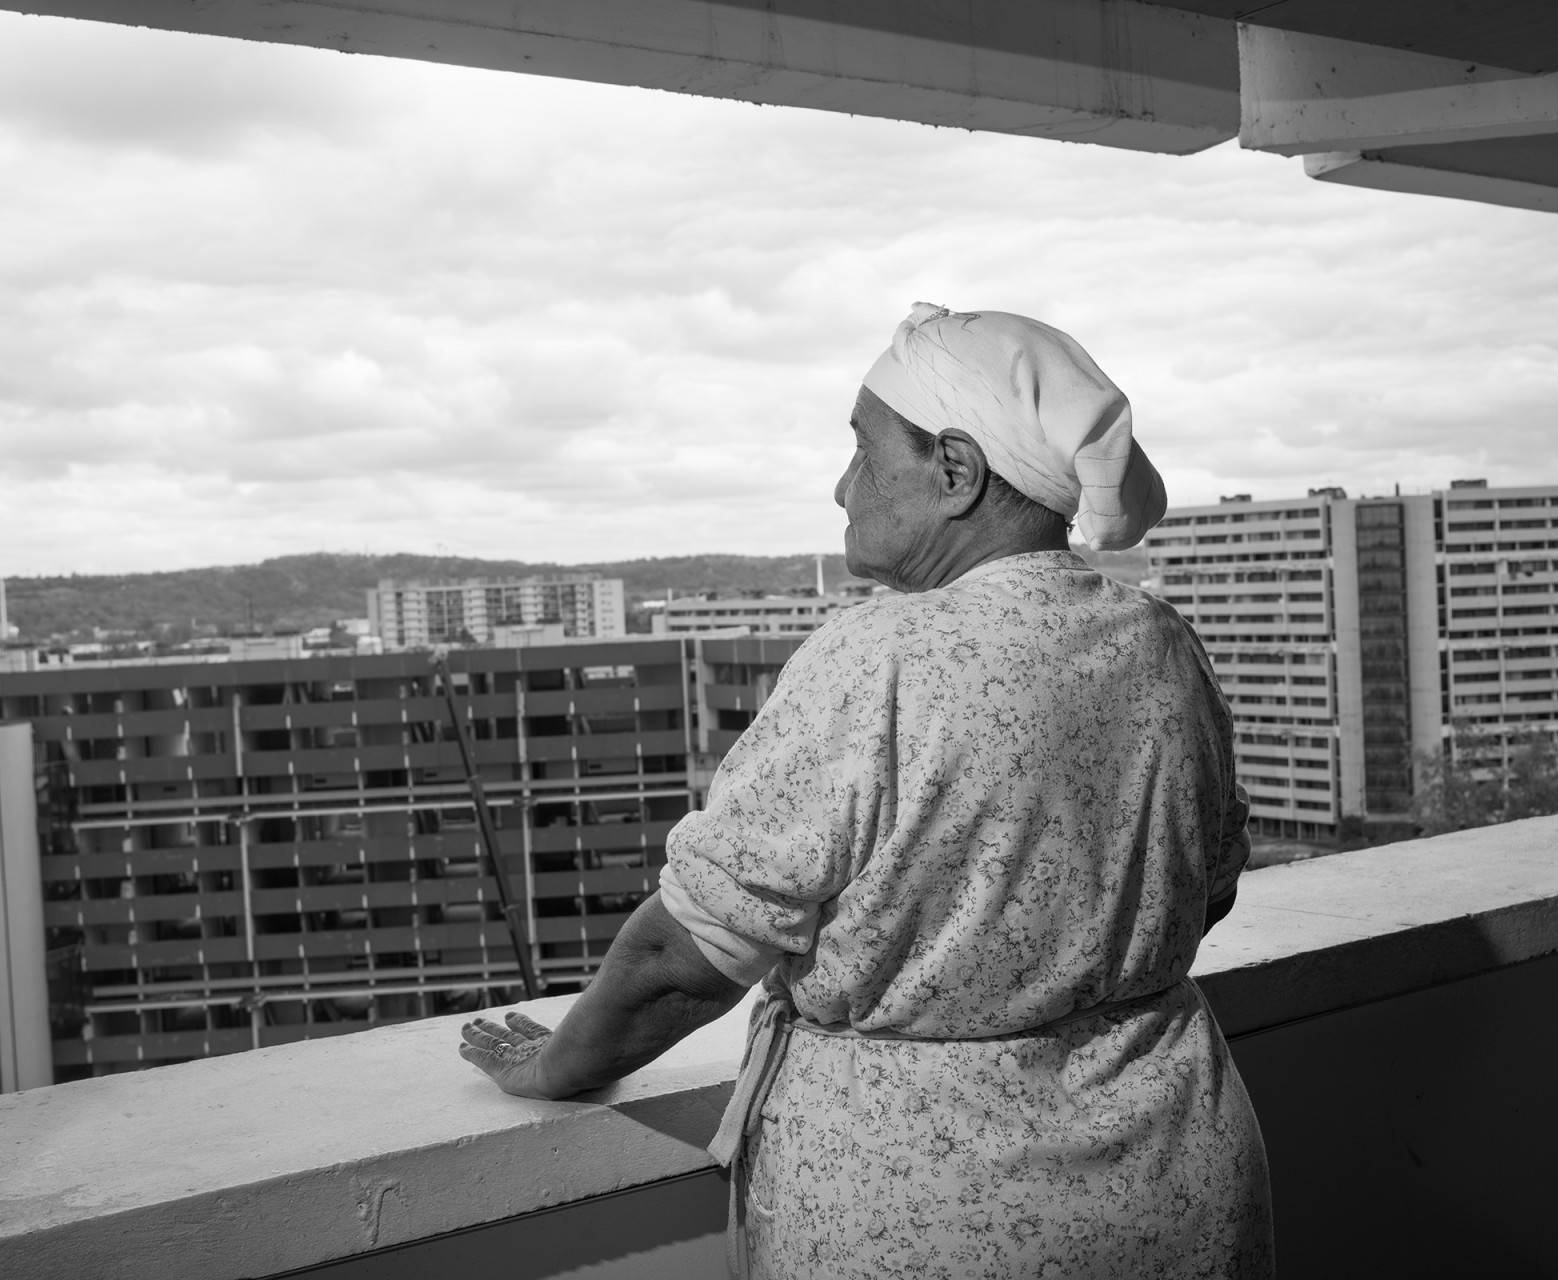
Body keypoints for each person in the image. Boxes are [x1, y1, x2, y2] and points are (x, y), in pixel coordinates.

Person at [459, 303, 1273, 1278]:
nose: (842, 484)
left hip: (926, 1221)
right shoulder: (1157, 641)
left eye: (862, 449)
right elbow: (1210, 882)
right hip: (1177, 1183)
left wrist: (554, 1064)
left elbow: (688, 953)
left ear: (957, 471)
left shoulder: (879, 656)